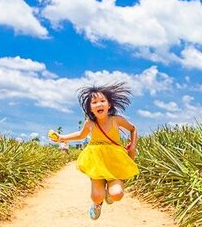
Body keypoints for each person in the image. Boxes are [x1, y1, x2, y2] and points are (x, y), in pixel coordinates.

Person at [49, 82, 139, 220]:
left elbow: (133, 129)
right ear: (90, 108)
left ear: (109, 105)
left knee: (117, 194)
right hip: (96, 160)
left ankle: (112, 189)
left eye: (103, 101)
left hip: (115, 160)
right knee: (97, 196)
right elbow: (80, 135)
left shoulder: (116, 120)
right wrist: (62, 137)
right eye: (94, 102)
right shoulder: (89, 123)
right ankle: (97, 204)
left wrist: (133, 145)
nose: (99, 104)